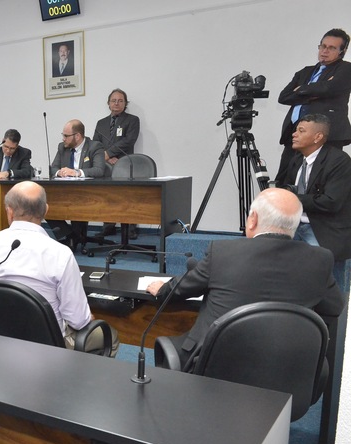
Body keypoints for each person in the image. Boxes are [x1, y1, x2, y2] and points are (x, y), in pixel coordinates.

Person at [146, 188, 346, 371]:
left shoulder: (223, 252)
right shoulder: (320, 259)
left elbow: (181, 289)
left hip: (215, 370)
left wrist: (162, 289)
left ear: (253, 219)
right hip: (285, 372)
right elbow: (334, 307)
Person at [0, 181, 118, 355]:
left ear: (9, 211)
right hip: (48, 348)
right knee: (110, 337)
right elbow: (78, 321)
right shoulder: (60, 254)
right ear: (46, 210)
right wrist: (85, 317)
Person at [275, 113, 351, 285]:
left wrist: (292, 198)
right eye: (296, 130)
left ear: (317, 137)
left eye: (301, 131)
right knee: (289, 279)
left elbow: (331, 202)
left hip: (323, 230)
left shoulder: (339, 161)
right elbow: (289, 189)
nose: (294, 134)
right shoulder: (296, 160)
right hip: (294, 227)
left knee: (329, 287)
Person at [275, 28, 351, 184]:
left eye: (332, 48)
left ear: (342, 51)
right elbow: (284, 97)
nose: (325, 51)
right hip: (295, 133)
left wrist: (301, 89)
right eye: (323, 46)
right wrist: (312, 93)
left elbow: (329, 88)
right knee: (284, 181)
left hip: (326, 135)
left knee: (319, 182)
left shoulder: (346, 69)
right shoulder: (305, 72)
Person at [45, 119, 106, 253]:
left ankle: (74, 238)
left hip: (88, 192)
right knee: (45, 203)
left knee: (77, 203)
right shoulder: (62, 147)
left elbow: (99, 170)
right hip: (66, 191)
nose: (63, 138)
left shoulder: (94, 146)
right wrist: (59, 172)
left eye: (66, 136)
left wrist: (77, 172)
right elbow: (53, 168)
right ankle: (69, 235)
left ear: (77, 136)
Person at [93, 89, 141, 239]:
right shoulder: (101, 123)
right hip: (106, 165)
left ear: (125, 103)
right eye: (113, 100)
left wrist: (109, 153)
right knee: (108, 196)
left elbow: (129, 140)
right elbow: (95, 144)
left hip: (125, 163)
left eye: (120, 101)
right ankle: (108, 227)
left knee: (127, 196)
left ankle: (131, 229)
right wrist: (106, 158)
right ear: (108, 103)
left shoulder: (133, 120)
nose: (116, 103)